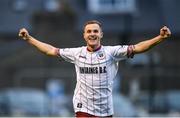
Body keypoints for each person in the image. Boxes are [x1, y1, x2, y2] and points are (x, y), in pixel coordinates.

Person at [18, 20, 171, 117]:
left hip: (105, 109)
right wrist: (29, 38)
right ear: (84, 35)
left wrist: (160, 38)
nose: (92, 34)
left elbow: (138, 48)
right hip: (82, 107)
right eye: (89, 31)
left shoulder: (112, 52)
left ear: (101, 34)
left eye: (95, 31)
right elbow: (50, 50)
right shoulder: (76, 53)